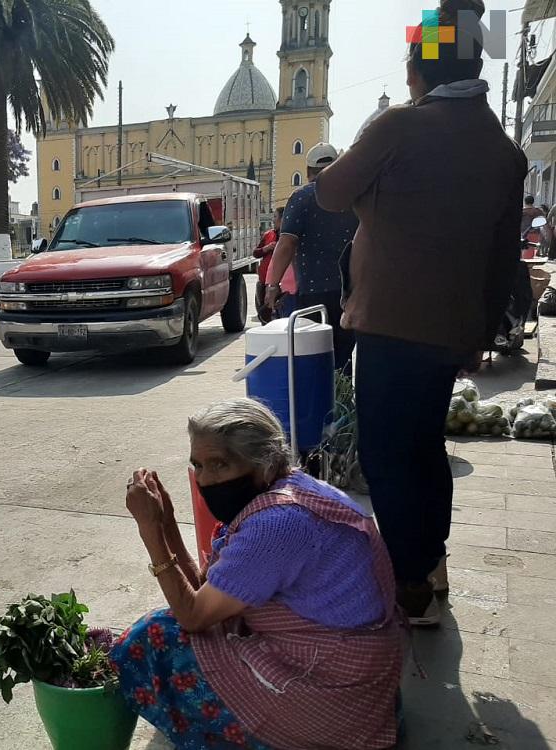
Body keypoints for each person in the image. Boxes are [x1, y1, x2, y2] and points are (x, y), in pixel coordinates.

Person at [313, 0, 526, 625]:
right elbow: (502, 256)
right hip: (453, 330)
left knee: (387, 455)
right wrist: (481, 335)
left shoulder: (399, 128)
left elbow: (329, 191)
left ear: (418, 70)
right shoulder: (503, 149)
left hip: (388, 325)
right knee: (425, 448)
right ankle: (430, 564)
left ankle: (409, 584)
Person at [112, 399, 405, 750]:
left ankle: (239, 736)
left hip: (334, 680)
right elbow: (205, 592)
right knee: (190, 627)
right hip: (353, 666)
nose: (205, 480)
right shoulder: (291, 489)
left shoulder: (277, 525)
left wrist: (149, 530)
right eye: (198, 466)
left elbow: (192, 615)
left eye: (219, 465)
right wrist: (167, 524)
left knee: (152, 637)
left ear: (264, 465)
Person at [264, 143, 359, 372]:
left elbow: (286, 243)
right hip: (352, 292)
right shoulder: (354, 196)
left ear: (308, 172)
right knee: (344, 358)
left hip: (314, 295)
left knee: (316, 358)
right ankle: (342, 404)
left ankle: (321, 405)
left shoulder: (303, 197)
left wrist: (272, 285)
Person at [252, 207, 283, 324]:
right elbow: (256, 253)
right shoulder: (268, 235)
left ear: (282, 219)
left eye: (275, 217)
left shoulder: (287, 237)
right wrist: (266, 248)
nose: (273, 220)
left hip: (281, 283)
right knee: (264, 312)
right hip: (264, 280)